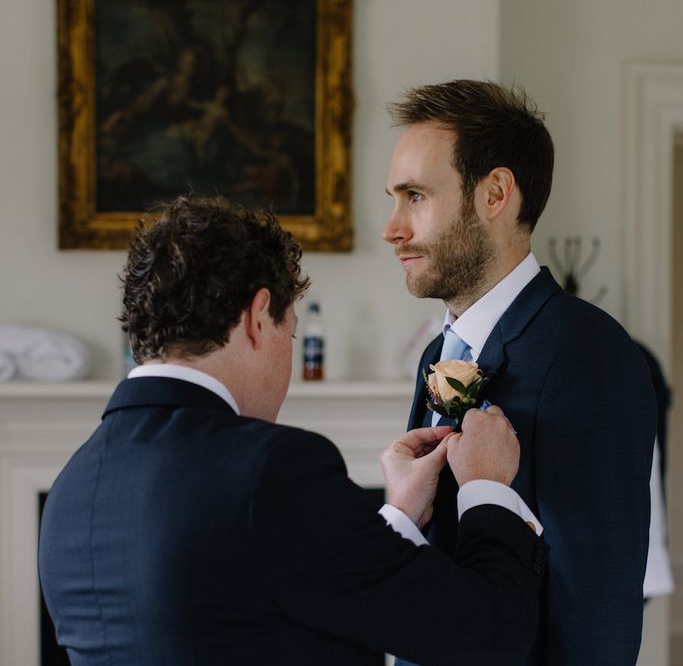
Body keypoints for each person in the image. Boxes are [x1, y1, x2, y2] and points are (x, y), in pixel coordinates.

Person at [38, 196, 548, 666]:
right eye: (291, 332)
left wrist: (399, 516)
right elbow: (488, 634)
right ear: (259, 317)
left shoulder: (70, 492)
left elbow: (268, 602)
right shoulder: (273, 471)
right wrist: (486, 488)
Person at [383, 81, 656, 665]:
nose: (393, 228)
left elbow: (597, 615)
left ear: (495, 194)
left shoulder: (589, 354)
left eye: (415, 197)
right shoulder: (442, 350)